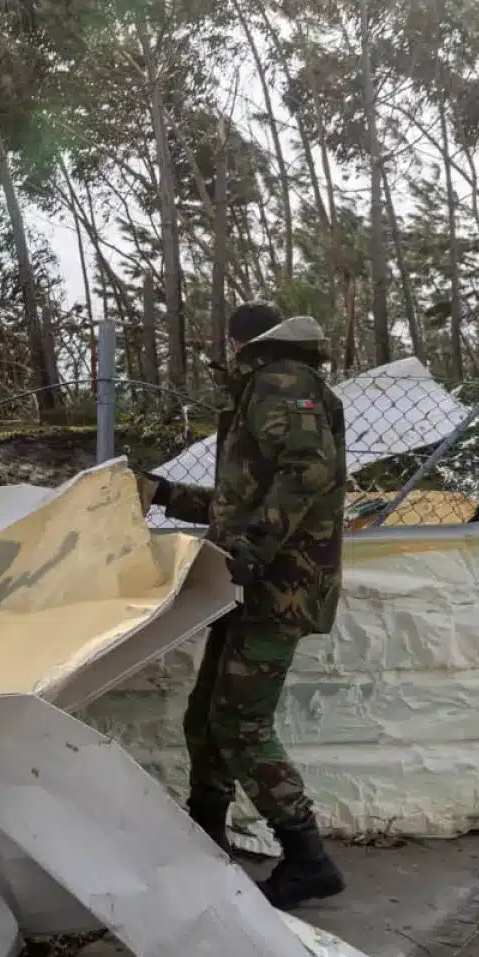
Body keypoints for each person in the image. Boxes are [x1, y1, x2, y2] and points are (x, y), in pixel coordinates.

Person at [139, 301, 348, 910]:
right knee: (206, 715)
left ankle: (308, 857)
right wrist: (167, 496)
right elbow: (245, 501)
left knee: (239, 724)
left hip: (274, 587)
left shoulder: (279, 380)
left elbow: (308, 470)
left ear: (237, 343)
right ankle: (203, 838)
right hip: (248, 585)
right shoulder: (265, 384)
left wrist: (253, 552)